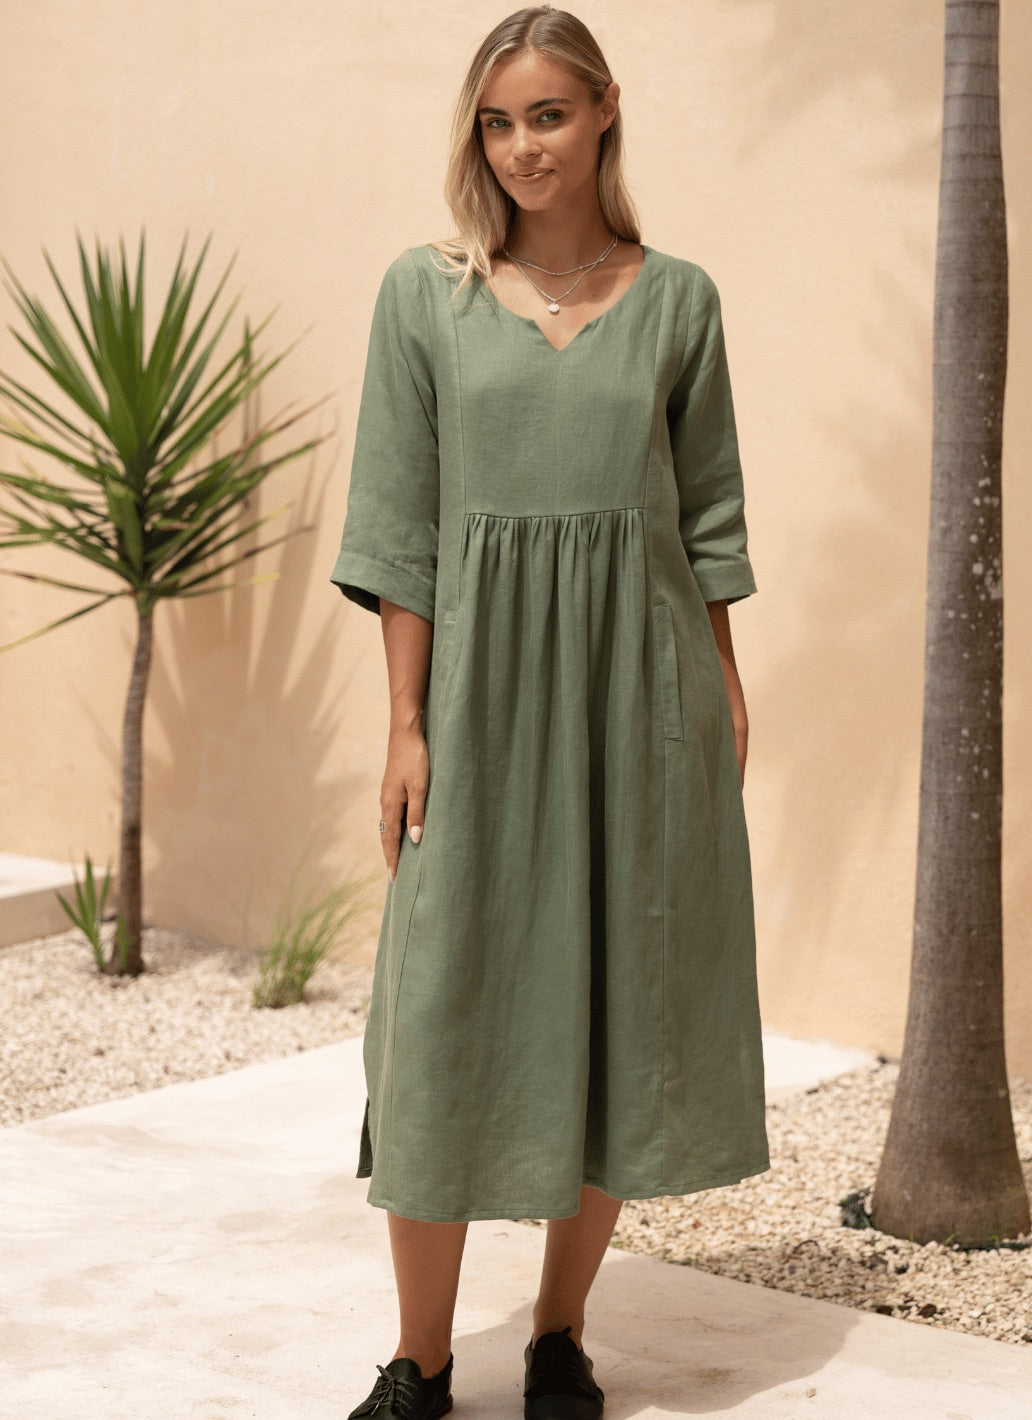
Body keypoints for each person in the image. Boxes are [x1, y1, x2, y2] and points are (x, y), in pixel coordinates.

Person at [330, 7, 771, 1417]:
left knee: (612, 1009)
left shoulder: (678, 297)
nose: (523, 146)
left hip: (641, 700)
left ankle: (558, 1338)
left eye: (549, 115)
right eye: (499, 121)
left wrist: (721, 692)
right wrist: (404, 725)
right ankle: (418, 1355)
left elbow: (705, 524)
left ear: (602, 116)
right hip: (475, 704)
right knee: (446, 1004)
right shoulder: (425, 294)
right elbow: (400, 530)